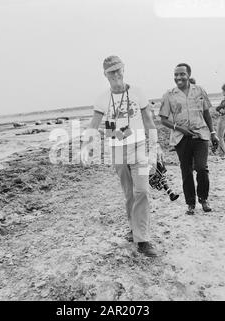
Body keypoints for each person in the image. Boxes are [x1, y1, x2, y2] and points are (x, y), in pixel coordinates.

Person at [81, 55, 161, 257]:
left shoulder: (138, 92)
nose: (115, 74)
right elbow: (94, 124)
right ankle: (134, 229)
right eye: (111, 72)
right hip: (117, 150)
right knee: (129, 193)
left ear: (124, 69)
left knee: (142, 190)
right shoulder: (102, 99)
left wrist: (155, 146)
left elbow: (149, 121)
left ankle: (143, 240)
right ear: (105, 74)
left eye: (118, 70)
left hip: (140, 146)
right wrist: (87, 145)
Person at [159, 63, 219, 215]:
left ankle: (204, 199)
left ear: (188, 75)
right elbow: (163, 119)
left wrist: (213, 133)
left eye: (182, 74)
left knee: (201, 168)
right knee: (186, 171)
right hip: (181, 138)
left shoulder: (199, 91)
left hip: (200, 135)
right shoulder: (169, 95)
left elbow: (206, 114)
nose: (178, 77)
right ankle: (190, 204)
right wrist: (180, 129)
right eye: (176, 75)